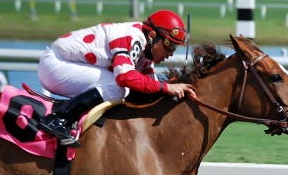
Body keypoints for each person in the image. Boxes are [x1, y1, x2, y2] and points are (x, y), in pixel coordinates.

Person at [37, 9, 196, 146]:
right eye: (170, 45)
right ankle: (58, 119)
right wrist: (167, 87)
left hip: (65, 65)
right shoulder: (134, 36)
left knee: (122, 87)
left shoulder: (145, 54)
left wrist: (173, 87)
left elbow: (149, 86)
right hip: (56, 64)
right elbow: (125, 77)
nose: (171, 53)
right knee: (117, 87)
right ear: (153, 35)